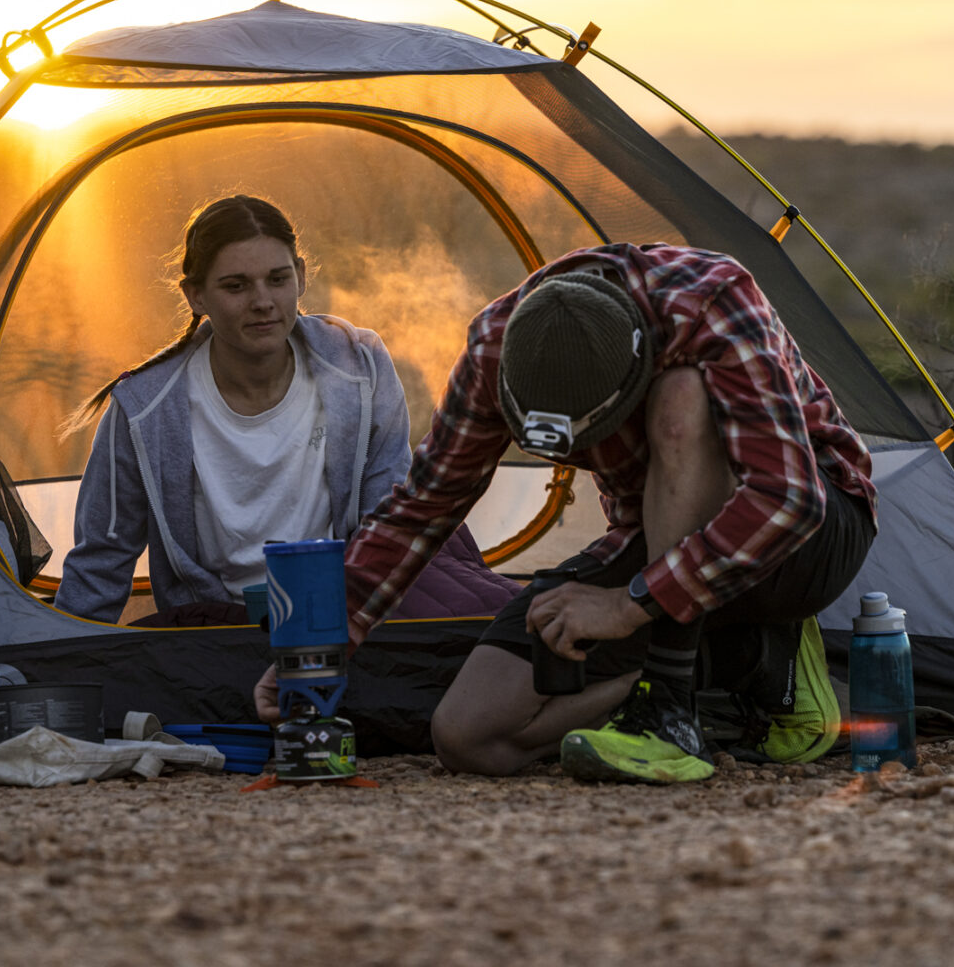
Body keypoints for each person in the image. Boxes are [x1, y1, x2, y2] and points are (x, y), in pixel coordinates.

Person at [256, 241, 877, 783]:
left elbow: (788, 501)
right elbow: (421, 508)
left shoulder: (711, 305)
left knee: (683, 399)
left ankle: (667, 711)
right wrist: (319, 653)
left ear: (631, 373)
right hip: (656, 542)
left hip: (805, 536)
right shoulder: (500, 349)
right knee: (471, 735)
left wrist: (626, 605)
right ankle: (756, 662)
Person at [54, 195, 516, 624]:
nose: (263, 302)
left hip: (347, 605)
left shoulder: (359, 366)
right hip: (220, 626)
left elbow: (388, 512)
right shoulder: (144, 410)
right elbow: (101, 561)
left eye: (278, 279)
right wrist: (53, 675)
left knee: (475, 617)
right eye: (236, 286)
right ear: (196, 295)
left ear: (300, 274)